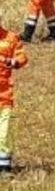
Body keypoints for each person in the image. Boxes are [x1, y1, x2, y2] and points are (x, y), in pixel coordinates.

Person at [0, 15, 30, 176]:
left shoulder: (11, 38)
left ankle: (4, 167)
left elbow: (22, 57)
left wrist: (13, 62)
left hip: (4, 96)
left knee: (3, 133)